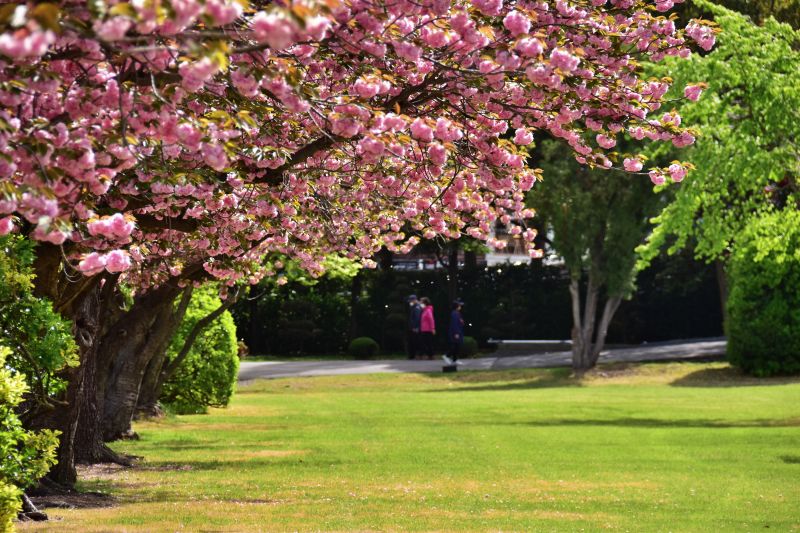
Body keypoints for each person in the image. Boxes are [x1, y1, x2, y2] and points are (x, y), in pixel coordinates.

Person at [443, 299, 465, 366]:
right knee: (454, 346)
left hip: (458, 332)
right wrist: (456, 333)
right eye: (459, 305)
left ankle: (455, 360)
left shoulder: (457, 313)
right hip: (455, 333)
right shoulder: (454, 313)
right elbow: (454, 324)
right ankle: (446, 356)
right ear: (456, 306)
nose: (460, 306)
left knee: (457, 346)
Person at [406, 294, 422, 360]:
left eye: (411, 301)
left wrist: (416, 327)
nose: (410, 302)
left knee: (415, 342)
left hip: (415, 328)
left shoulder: (417, 307)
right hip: (413, 327)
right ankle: (412, 355)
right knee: (412, 342)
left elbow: (417, 318)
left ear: (414, 300)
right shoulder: (413, 306)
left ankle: (415, 355)